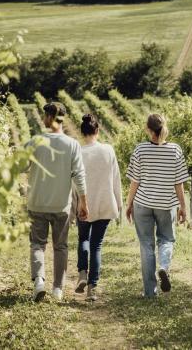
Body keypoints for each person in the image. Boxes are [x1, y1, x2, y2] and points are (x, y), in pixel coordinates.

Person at [26, 101, 88, 302]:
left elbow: (18, 166)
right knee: (60, 246)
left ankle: (39, 283)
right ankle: (58, 289)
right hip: (62, 204)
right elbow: (79, 175)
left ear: (48, 118)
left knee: (37, 244)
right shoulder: (72, 144)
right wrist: (83, 202)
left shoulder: (35, 142)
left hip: (37, 203)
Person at [126, 113, 189, 298]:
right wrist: (183, 207)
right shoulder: (175, 150)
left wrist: (129, 204)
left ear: (148, 129)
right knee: (167, 239)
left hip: (142, 204)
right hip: (165, 204)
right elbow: (179, 183)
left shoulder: (140, 150)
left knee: (146, 245)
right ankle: (163, 266)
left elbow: (134, 182)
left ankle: (150, 293)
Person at [73, 113, 123, 301]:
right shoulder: (108, 150)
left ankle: (82, 274)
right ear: (98, 130)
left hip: (84, 204)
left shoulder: (77, 152)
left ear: (82, 132)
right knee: (97, 245)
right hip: (104, 202)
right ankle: (92, 289)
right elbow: (116, 179)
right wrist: (118, 202)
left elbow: (74, 182)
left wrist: (74, 205)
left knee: (83, 239)